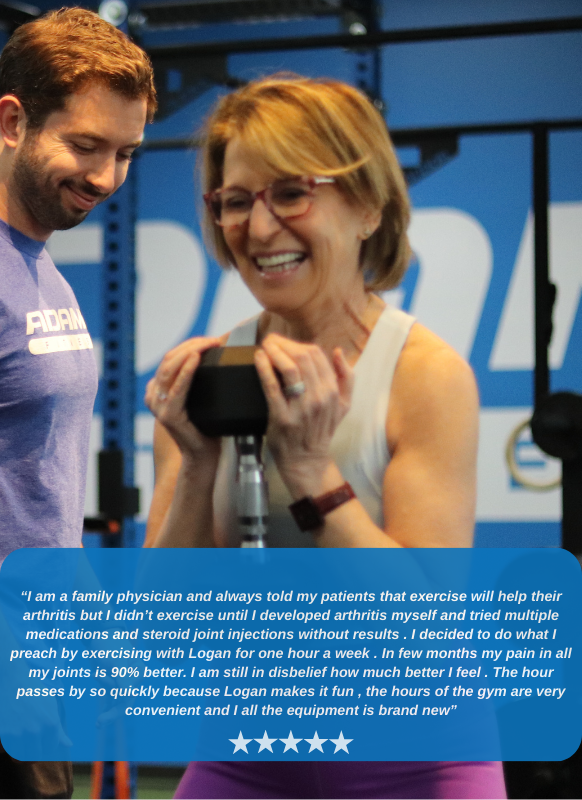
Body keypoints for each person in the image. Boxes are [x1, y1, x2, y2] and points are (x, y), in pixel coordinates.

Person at [144, 76, 506, 798]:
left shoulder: (425, 376)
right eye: (236, 201)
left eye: (291, 193)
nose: (258, 228)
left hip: (419, 761)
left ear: (368, 206)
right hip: (246, 753)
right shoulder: (213, 376)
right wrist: (198, 464)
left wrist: (313, 476)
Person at [0, 7, 156, 798]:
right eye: (87, 146)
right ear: (12, 122)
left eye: (125, 153)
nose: (106, 178)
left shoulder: (42, 271)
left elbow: (37, 499)